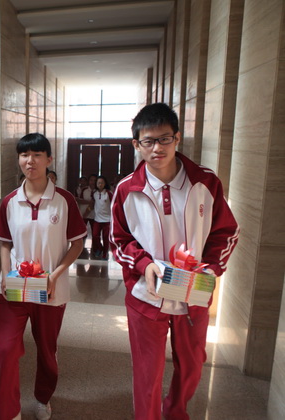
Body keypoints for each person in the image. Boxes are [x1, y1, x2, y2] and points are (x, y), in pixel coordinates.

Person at [110, 103, 239, 420]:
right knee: (147, 371)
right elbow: (118, 240)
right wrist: (144, 265)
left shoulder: (205, 182)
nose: (157, 148)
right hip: (146, 294)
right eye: (148, 141)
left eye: (164, 139)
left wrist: (211, 269)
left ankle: (175, 410)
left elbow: (226, 232)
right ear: (136, 144)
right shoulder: (127, 190)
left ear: (177, 138)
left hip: (193, 292)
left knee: (193, 365)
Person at [0, 133, 86, 420]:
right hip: (14, 289)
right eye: (24, 155)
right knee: (5, 350)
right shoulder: (10, 201)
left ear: (49, 159)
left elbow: (77, 243)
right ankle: (9, 412)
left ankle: (43, 397)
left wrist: (55, 276)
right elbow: (5, 244)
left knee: (47, 351)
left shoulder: (64, 200)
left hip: (50, 291)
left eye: (36, 155)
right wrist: (6, 275)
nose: (29, 161)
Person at [91, 176, 112, 259]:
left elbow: (114, 204)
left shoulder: (108, 193)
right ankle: (100, 248)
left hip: (107, 219)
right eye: (98, 183)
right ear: (96, 184)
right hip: (97, 219)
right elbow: (92, 204)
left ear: (105, 184)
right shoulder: (94, 193)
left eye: (102, 183)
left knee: (106, 237)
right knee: (95, 235)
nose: (100, 184)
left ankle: (105, 253)